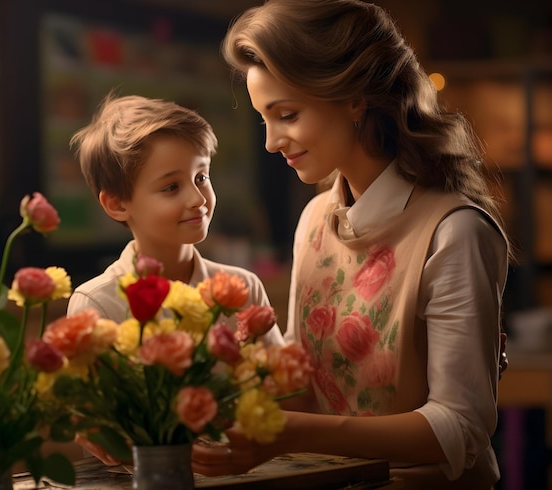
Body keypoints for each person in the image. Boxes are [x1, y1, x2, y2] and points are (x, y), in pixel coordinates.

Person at [191, 1, 511, 488]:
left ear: (355, 98)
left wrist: (289, 433)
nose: (272, 142)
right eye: (265, 119)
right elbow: (301, 386)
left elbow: (460, 428)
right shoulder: (315, 219)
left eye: (287, 114)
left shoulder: (454, 231)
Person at [67, 94, 284, 462]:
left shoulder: (242, 288)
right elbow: (95, 431)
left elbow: (281, 388)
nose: (198, 198)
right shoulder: (97, 304)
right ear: (118, 203)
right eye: (171, 187)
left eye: (201, 177)